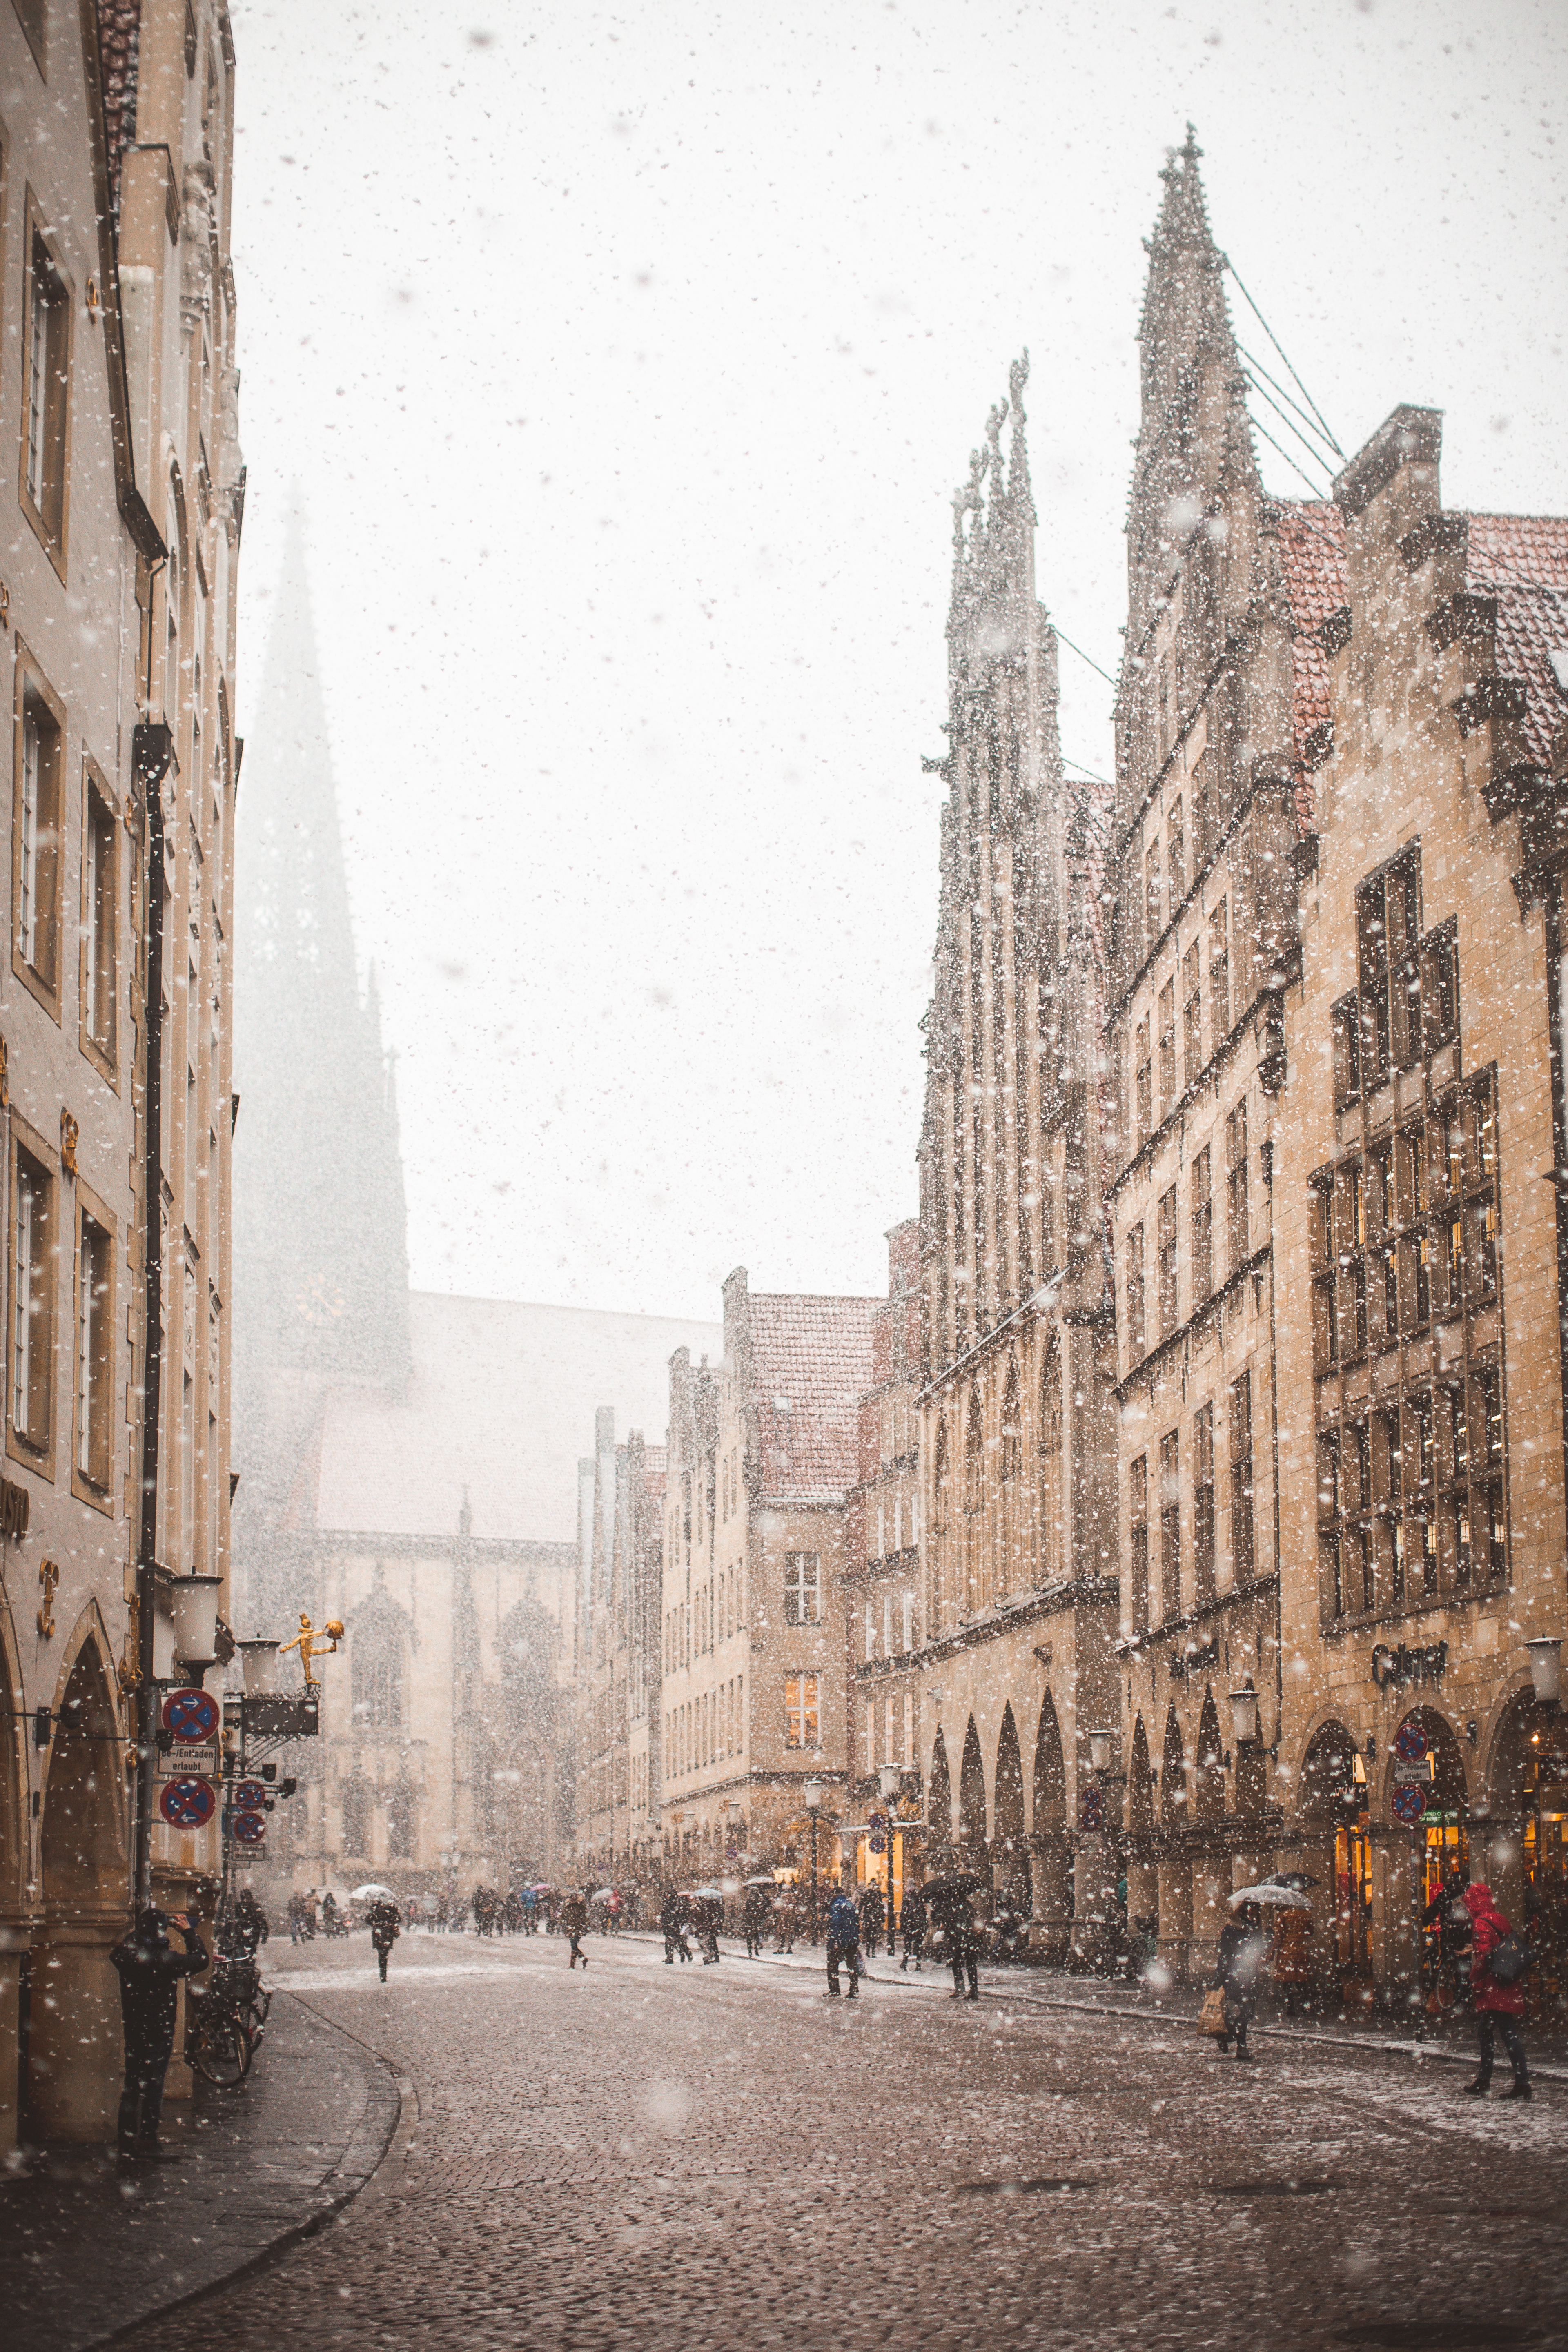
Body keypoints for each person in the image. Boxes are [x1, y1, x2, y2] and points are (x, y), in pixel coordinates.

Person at [110, 1907, 209, 2161]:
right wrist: (188, 1932)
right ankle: (148, 2140)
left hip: (134, 2027)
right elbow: (201, 1959)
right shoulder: (167, 1959)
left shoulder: (126, 1955)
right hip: (160, 2027)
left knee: (132, 2083)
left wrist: (146, 1928)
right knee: (154, 2082)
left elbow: (128, 1945)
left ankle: (126, 2139)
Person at [1461, 1881, 1530, 2100]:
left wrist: (1473, 1978)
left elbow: (1484, 1958)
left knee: (1506, 2034)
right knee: (1489, 2031)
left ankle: (1519, 2083)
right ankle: (1488, 2080)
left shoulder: (1480, 1923)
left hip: (1494, 1987)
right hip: (1507, 1982)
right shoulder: (1499, 1918)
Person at [1214, 1902, 1271, 2060]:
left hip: (1250, 1975)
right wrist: (1218, 1979)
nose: (1255, 1913)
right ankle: (1241, 2045)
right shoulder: (1231, 1929)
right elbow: (1225, 1955)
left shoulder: (1255, 1930)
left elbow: (1259, 1952)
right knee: (1241, 2010)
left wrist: (1269, 1940)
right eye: (1252, 1909)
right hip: (1234, 1975)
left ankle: (1231, 2035)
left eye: (1257, 1910)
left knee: (1248, 2012)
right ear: (1244, 1911)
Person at [928, 1877, 980, 2000]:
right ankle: (973, 1990)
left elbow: (945, 1922)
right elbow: (973, 1920)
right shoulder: (967, 1905)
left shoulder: (952, 1908)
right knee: (970, 1965)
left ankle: (961, 1989)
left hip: (958, 1939)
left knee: (957, 1964)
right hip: (969, 1939)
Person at [825, 1886, 862, 1999]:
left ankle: (834, 1990)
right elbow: (856, 1922)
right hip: (851, 1940)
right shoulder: (850, 1905)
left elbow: (836, 1924)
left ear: (834, 1895)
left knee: (832, 1964)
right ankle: (854, 1989)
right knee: (852, 1965)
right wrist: (855, 1938)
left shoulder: (836, 1906)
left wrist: (835, 1941)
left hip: (840, 1940)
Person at [368, 1895, 401, 1981]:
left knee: (381, 1954)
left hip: (379, 1934)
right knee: (384, 1953)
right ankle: (383, 1972)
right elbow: (398, 1919)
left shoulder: (376, 1908)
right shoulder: (391, 1908)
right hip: (387, 1933)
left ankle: (382, 1972)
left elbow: (368, 1920)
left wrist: (375, 1923)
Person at [899, 1880, 927, 1972]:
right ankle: (918, 1965)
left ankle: (905, 1962)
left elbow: (903, 1914)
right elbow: (924, 1914)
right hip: (918, 1925)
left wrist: (903, 1926)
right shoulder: (919, 1901)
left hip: (909, 1925)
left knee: (908, 1946)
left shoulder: (907, 1901)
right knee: (918, 1946)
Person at [660, 1886, 691, 1963]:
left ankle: (676, 1956)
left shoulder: (672, 1904)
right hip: (672, 1926)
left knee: (674, 1943)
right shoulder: (674, 1903)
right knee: (675, 1943)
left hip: (672, 1926)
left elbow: (674, 1915)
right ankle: (680, 1955)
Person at [562, 1887, 589, 1967]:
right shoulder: (567, 1905)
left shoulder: (581, 1905)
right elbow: (564, 1916)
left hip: (578, 1928)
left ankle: (572, 1965)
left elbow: (585, 1916)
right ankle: (583, 1959)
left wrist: (585, 1925)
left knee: (574, 1946)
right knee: (574, 1946)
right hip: (571, 1928)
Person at [859, 1880, 885, 1961]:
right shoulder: (876, 1896)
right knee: (873, 1934)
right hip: (874, 1917)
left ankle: (869, 1950)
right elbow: (880, 1906)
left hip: (868, 1917)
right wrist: (881, 1917)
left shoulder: (866, 1896)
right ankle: (872, 1951)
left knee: (868, 1934)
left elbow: (861, 1905)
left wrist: (859, 1914)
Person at [742, 1882, 769, 1958]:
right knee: (756, 1936)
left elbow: (745, 1910)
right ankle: (756, 1951)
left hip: (750, 1920)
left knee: (750, 1937)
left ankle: (751, 1951)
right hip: (756, 1920)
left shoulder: (750, 1900)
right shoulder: (759, 1901)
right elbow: (762, 1910)